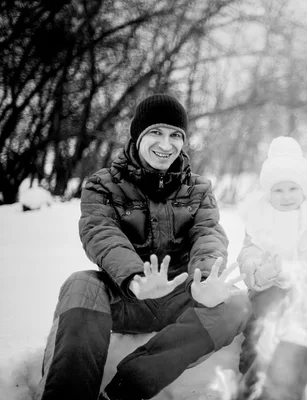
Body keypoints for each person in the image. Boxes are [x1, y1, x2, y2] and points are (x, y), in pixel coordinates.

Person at [36, 94, 251, 400]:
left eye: (175, 135)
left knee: (236, 303)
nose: (166, 144)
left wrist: (203, 279)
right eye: (156, 133)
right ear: (137, 136)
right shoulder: (102, 185)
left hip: (181, 293)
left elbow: (208, 233)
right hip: (126, 294)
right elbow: (101, 233)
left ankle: (124, 390)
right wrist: (135, 278)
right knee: (80, 284)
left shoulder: (199, 188)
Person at [236, 136, 307, 375]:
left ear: (304, 190)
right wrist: (261, 270)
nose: (286, 195)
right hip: (268, 289)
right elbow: (247, 254)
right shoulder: (258, 221)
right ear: (267, 193)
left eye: (293, 188)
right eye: (278, 190)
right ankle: (253, 371)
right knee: (263, 317)